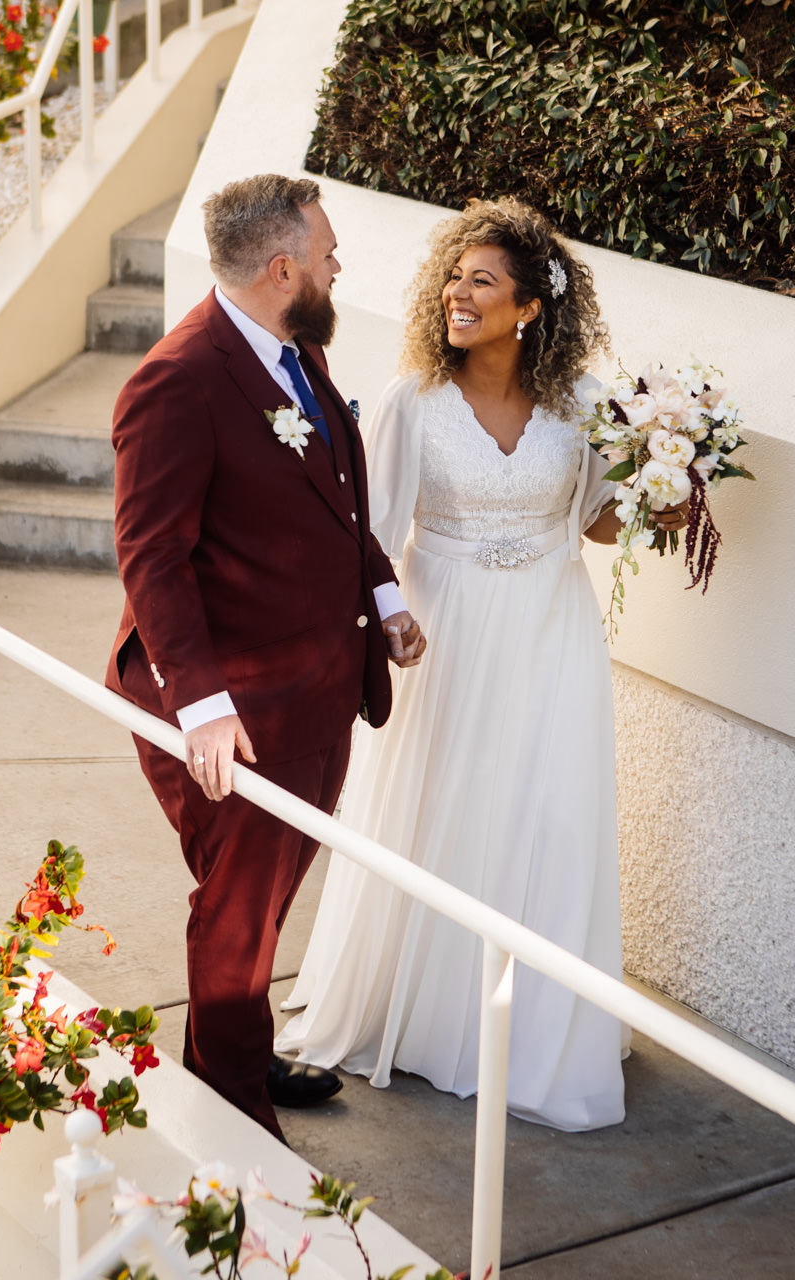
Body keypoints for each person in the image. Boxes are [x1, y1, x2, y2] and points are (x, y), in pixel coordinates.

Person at [277, 198, 675, 1131]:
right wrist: (382, 621)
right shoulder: (414, 400)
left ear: (530, 306)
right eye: (454, 278)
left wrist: (667, 471)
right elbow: (369, 531)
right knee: (444, 801)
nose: (459, 293)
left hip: (549, 625)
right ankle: (424, 1018)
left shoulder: (579, 407)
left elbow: (602, 522)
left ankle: (541, 1026)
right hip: (444, 623)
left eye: (482, 282)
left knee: (546, 812)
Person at [104, 174, 427, 1142]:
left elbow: (335, 488)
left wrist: (382, 594)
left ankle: (227, 1050)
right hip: (231, 708)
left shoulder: (299, 350)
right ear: (283, 267)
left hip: (317, 688)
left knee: (271, 891)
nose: (338, 266)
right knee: (238, 912)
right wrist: (200, 704)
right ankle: (232, 1113)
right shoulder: (178, 378)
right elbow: (151, 557)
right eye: (327, 254)